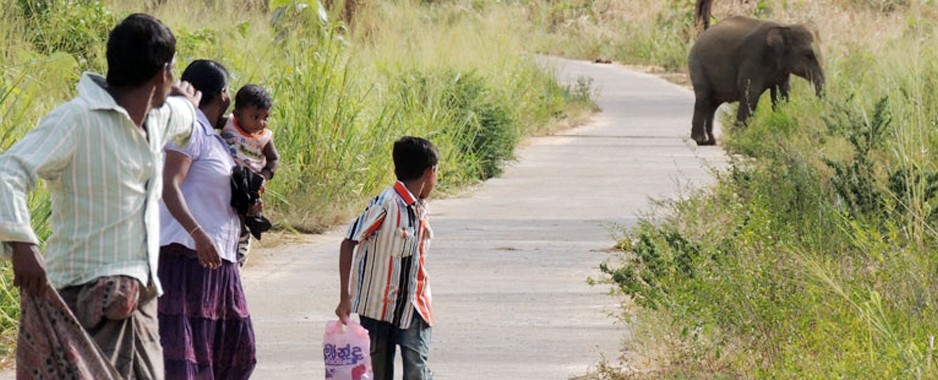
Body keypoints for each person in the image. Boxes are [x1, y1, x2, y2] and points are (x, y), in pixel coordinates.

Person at [0, 13, 201, 379]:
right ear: (162, 74)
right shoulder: (77, 120)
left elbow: (186, 115)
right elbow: (8, 171)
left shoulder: (158, 120)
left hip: (138, 303)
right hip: (82, 302)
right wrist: (21, 243)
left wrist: (184, 99)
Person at [157, 59, 257, 379]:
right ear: (223, 94)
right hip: (186, 260)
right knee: (184, 363)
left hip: (219, 264)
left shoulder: (216, 139)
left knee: (235, 353)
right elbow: (168, 185)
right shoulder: (189, 127)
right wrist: (198, 233)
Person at [336, 136, 439, 380]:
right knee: (379, 372)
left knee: (417, 369)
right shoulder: (386, 204)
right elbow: (349, 241)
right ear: (429, 172)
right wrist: (345, 296)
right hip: (378, 308)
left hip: (415, 305)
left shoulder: (420, 208)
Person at [219, 84, 279, 266]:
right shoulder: (228, 123)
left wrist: (265, 175)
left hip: (249, 181)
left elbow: (274, 158)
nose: (261, 122)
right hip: (227, 176)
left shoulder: (264, 137)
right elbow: (204, 120)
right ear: (237, 114)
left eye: (265, 117)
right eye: (255, 117)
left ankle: (244, 239)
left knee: (247, 209)